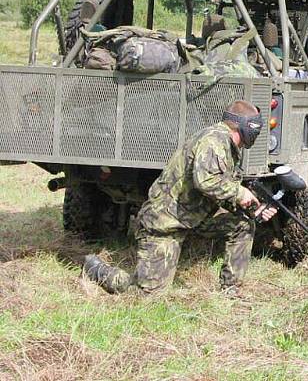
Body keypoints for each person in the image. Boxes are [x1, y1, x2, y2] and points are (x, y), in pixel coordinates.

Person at [83, 100, 277, 296]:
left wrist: (253, 209)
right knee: (147, 295)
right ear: (245, 127)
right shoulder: (214, 140)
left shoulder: (226, 145)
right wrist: (240, 192)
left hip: (193, 218)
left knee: (243, 225)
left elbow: (219, 192)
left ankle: (231, 289)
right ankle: (98, 270)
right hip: (164, 223)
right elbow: (207, 182)